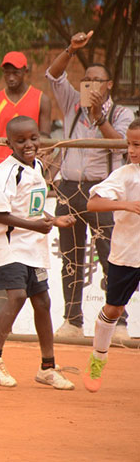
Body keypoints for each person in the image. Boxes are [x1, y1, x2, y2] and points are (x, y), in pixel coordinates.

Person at [46, 30, 135, 339]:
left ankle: (118, 322)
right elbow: (53, 75)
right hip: (69, 188)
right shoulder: (72, 102)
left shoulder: (121, 113)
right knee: (71, 258)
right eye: (86, 80)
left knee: (112, 257)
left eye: (97, 81)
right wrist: (71, 48)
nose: (90, 86)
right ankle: (72, 321)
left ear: (109, 85)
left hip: (103, 191)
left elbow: (122, 146)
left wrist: (99, 118)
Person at [0, 116, 76, 390]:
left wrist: (54, 220)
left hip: (33, 247)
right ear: (8, 143)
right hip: (6, 247)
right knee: (18, 295)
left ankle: (47, 367)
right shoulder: (3, 174)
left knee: (42, 302)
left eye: (33, 138)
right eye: (20, 141)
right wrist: (34, 226)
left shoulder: (38, 167)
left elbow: (31, 207)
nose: (28, 144)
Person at [83, 120, 140, 392]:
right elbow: (92, 203)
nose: (132, 150)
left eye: (137, 144)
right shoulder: (125, 175)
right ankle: (98, 359)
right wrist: (126, 205)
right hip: (126, 254)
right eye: (129, 144)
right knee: (114, 309)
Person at [0, 52, 51, 172]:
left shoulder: (41, 99)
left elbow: (46, 140)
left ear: (25, 71)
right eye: (7, 73)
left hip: (29, 169)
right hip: (0, 167)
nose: (11, 78)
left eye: (16, 73)